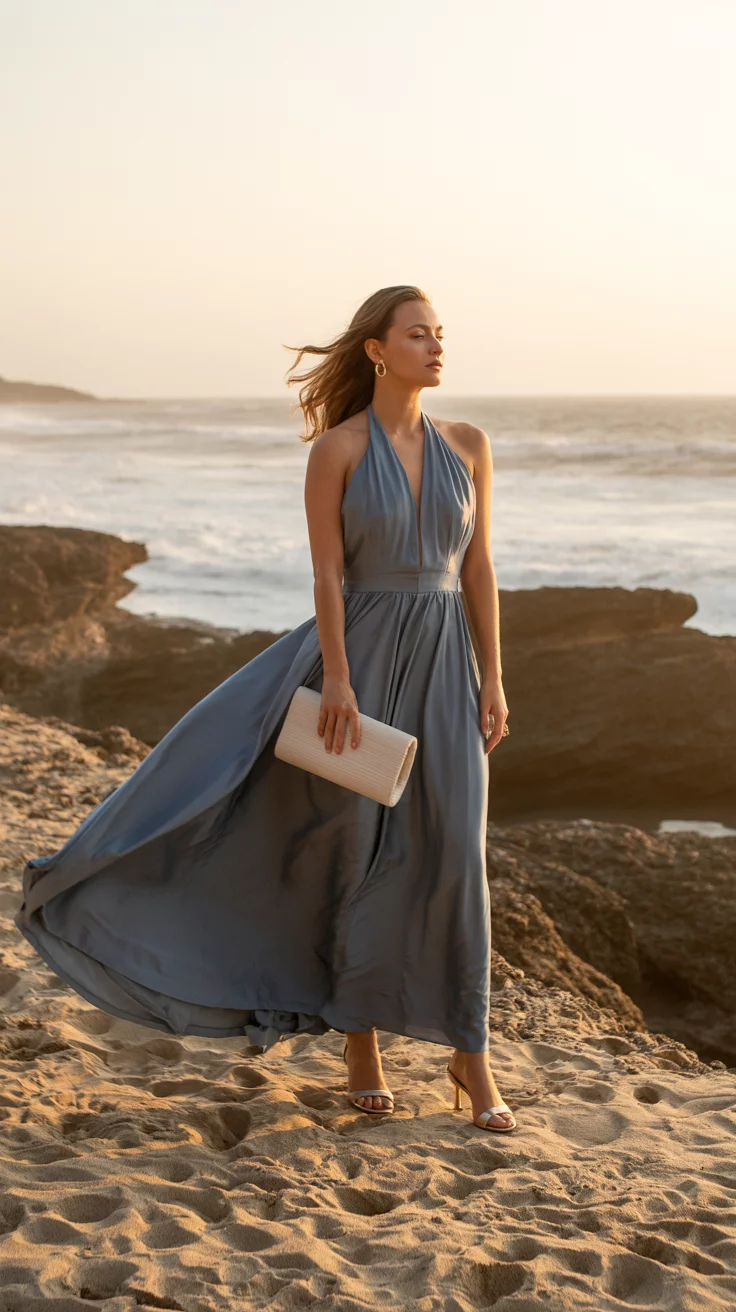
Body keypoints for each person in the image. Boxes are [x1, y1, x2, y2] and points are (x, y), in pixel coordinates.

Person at [15, 284, 515, 1133]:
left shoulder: (469, 445)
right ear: (376, 350)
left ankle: (471, 1056)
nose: (436, 346)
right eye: (417, 333)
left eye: (441, 333)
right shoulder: (338, 450)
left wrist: (494, 677)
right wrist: (342, 681)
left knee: (453, 856)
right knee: (356, 851)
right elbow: (327, 576)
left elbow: (479, 570)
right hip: (360, 655)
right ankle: (361, 1045)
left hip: (445, 665)